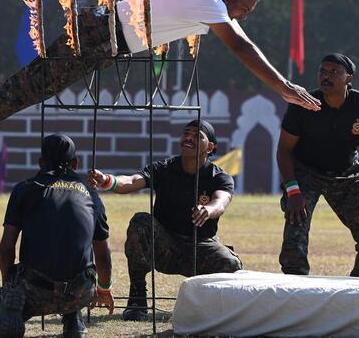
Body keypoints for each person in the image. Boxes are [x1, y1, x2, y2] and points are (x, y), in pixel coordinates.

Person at [0, 0, 320, 167]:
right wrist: (283, 86)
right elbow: (241, 46)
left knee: (27, 92)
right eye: (243, 10)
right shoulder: (208, 0)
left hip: (105, 37)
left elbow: (238, 36)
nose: (241, 18)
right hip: (100, 33)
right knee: (24, 91)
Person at [88, 119, 243, 321]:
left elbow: (221, 201)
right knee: (140, 222)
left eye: (197, 136)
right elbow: (132, 181)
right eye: (186, 133)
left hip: (200, 246)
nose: (188, 138)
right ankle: (137, 296)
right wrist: (107, 180)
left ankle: (208, 304)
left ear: (210, 147)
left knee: (231, 265)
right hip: (165, 246)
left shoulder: (219, 177)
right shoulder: (164, 168)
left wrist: (208, 209)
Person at [0, 134, 114, 338]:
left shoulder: (25, 189)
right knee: (74, 268)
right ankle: (73, 319)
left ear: (40, 162)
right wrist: (104, 290)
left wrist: (9, 286)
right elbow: (103, 256)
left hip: (35, 288)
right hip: (80, 289)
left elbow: (7, 246)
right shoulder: (91, 195)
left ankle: (12, 306)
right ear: (75, 164)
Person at [277, 53, 359, 278]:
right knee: (295, 228)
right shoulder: (303, 105)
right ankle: (295, 285)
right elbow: (284, 150)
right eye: (322, 71)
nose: (326, 77)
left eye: (333, 72)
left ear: (349, 79)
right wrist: (293, 191)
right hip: (306, 172)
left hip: (346, 174)